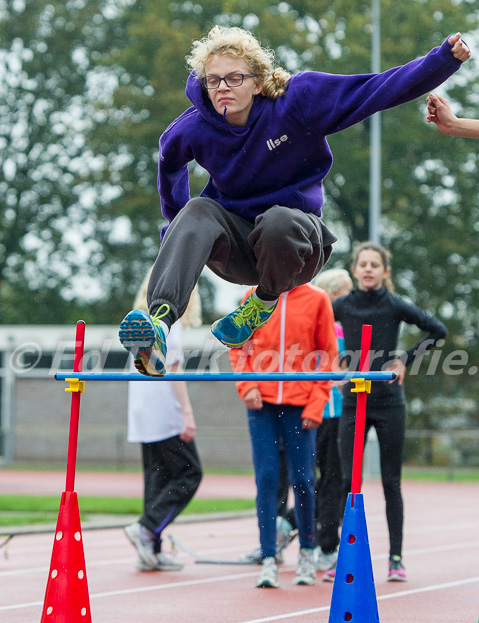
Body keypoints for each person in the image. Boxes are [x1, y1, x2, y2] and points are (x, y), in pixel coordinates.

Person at [117, 26, 469, 376]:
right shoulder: (192, 128)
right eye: (214, 81)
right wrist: (179, 233)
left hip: (298, 247)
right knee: (197, 210)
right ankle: (159, 327)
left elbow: (373, 91)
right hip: (238, 251)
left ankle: (262, 303)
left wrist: (441, 61)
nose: (223, 87)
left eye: (234, 78)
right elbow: (169, 162)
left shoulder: (296, 100)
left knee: (277, 220)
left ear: (257, 82)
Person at [332, 243, 448, 582]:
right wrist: (334, 356)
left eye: (374, 265)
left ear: (385, 272)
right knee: (346, 481)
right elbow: (317, 326)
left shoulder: (395, 305)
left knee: (390, 482)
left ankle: (395, 558)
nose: (368, 269)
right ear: (355, 270)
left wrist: (404, 360)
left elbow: (437, 330)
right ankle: (341, 554)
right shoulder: (342, 306)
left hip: (388, 403)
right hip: (354, 401)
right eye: (363, 264)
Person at [230, 283, 338, 588]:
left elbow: (327, 355)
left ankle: (307, 551)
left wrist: (316, 405)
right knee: (266, 479)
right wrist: (246, 385)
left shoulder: (317, 298)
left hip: (300, 405)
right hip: (261, 403)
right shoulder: (254, 295)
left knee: (303, 480)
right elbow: (238, 344)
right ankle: (268, 558)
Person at [124, 271, 203, 571]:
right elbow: (173, 371)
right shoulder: (169, 323)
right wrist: (187, 412)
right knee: (190, 473)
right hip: (165, 409)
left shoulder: (140, 324)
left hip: (143, 411)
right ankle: (147, 526)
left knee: (157, 478)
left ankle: (151, 549)